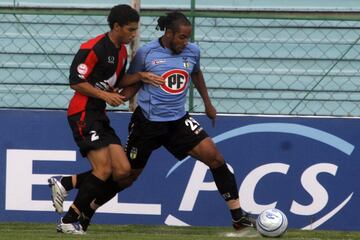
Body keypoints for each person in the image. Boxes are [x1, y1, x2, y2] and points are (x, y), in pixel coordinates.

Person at [50, 11, 254, 231]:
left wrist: (208, 103)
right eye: (182, 37)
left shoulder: (192, 51)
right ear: (169, 33)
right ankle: (86, 209)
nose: (186, 43)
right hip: (146, 124)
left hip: (178, 121)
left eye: (188, 37)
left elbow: (196, 73)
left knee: (215, 158)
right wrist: (124, 93)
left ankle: (237, 217)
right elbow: (127, 80)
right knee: (125, 175)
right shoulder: (145, 53)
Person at [50, 4, 164, 234]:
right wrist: (105, 95)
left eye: (136, 30)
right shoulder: (93, 48)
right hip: (83, 113)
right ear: (116, 27)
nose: (134, 35)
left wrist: (141, 76)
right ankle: (68, 221)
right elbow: (75, 81)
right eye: (131, 30)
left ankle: (65, 183)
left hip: (99, 115)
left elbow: (116, 80)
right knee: (102, 170)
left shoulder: (121, 51)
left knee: (122, 171)